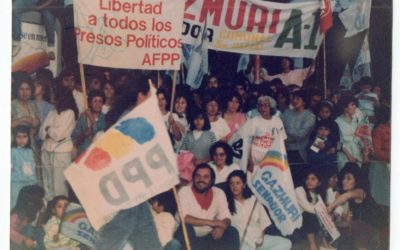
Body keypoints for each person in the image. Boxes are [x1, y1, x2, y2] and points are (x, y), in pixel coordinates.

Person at [96, 75, 163, 250]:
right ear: (141, 95)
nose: (154, 98)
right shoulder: (131, 119)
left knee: (147, 238)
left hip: (136, 189)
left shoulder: (132, 116)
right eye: (151, 94)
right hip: (126, 188)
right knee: (116, 234)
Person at [175, 163, 240, 250]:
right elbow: (184, 218)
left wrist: (222, 227)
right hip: (188, 236)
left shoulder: (219, 193)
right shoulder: (184, 191)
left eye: (206, 176)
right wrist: (213, 223)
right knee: (186, 228)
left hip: (209, 236)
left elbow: (226, 217)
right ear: (193, 178)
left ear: (212, 180)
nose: (201, 179)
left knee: (232, 232)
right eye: (198, 176)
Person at [225, 170, 292, 250]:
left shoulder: (253, 200)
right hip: (243, 242)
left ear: (244, 185)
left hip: (258, 240)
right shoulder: (226, 204)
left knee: (286, 243)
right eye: (231, 183)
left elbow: (264, 222)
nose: (234, 186)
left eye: (238, 183)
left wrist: (261, 238)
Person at [327, 163, 385, 250]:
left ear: (357, 180)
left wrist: (330, 207)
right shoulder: (350, 198)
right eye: (344, 178)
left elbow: (346, 196)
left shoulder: (360, 192)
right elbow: (348, 220)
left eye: (349, 178)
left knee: (357, 226)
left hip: (378, 230)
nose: (344, 181)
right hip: (364, 231)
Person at [39, 85, 78, 199]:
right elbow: (41, 133)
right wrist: (48, 131)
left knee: (59, 186)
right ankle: (50, 212)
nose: (51, 95)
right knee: (47, 183)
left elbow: (59, 135)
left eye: (53, 93)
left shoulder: (70, 113)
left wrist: (49, 129)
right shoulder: (52, 111)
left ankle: (61, 212)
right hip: (46, 149)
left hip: (61, 153)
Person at [242, 95, 286, 172]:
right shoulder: (253, 121)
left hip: (273, 159)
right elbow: (247, 143)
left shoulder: (278, 121)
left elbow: (282, 142)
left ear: (271, 107)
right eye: (260, 105)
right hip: (255, 159)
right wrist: (250, 161)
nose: (263, 108)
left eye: (266, 105)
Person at [281, 90, 316, 186]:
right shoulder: (287, 113)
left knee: (298, 182)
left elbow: (301, 135)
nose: (294, 101)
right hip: (284, 151)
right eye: (293, 98)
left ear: (304, 101)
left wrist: (286, 130)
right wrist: (287, 133)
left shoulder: (310, 116)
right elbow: (279, 131)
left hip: (299, 152)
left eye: (298, 99)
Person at [11, 74, 41, 162]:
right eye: (21, 89)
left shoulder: (33, 104)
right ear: (17, 90)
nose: (25, 92)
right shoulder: (13, 104)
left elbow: (38, 123)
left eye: (27, 89)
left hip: (31, 144)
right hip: (15, 144)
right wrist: (22, 119)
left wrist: (35, 124)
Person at [295, 169, 326, 250]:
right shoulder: (299, 190)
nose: (309, 181)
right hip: (296, 223)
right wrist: (324, 212)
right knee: (309, 215)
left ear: (319, 183)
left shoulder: (317, 194)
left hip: (309, 224)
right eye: (307, 178)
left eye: (313, 179)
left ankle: (325, 244)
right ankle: (313, 246)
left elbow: (323, 208)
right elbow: (308, 208)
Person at [11, 125, 38, 209]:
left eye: (24, 137)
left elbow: (32, 167)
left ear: (28, 138)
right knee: (15, 202)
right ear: (14, 138)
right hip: (16, 182)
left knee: (28, 204)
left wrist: (33, 180)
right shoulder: (12, 151)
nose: (21, 140)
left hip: (30, 182)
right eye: (18, 137)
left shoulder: (30, 151)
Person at [71, 90, 106, 156]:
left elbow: (98, 130)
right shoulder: (83, 118)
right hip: (83, 154)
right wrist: (84, 134)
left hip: (98, 154)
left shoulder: (104, 118)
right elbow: (74, 139)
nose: (98, 104)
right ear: (90, 103)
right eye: (95, 101)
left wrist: (90, 117)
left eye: (100, 101)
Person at [10, 185, 45, 249]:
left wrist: (41, 212)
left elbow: (36, 225)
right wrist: (25, 239)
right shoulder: (16, 216)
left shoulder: (30, 214)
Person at [335, 95, 364, 170]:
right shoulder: (337, 122)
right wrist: (349, 155)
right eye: (352, 105)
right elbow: (338, 142)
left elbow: (359, 137)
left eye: (355, 104)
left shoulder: (356, 120)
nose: (355, 107)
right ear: (345, 107)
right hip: (344, 155)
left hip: (357, 153)